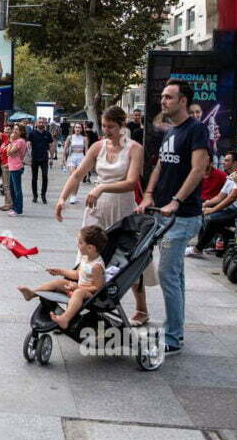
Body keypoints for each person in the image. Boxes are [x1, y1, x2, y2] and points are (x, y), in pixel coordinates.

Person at [56, 105, 152, 326]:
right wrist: (62, 198)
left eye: (110, 126)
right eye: (103, 126)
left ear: (121, 125)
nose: (106, 130)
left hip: (121, 206)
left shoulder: (134, 148)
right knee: (87, 254)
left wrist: (102, 188)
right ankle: (81, 302)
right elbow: (78, 173)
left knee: (128, 258)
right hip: (96, 208)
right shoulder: (98, 147)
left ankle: (141, 308)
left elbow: (131, 181)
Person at [136, 79, 209, 355]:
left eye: (169, 97)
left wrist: (176, 201)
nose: (163, 101)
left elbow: (198, 169)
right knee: (175, 274)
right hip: (165, 213)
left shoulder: (196, 129)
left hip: (183, 215)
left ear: (183, 101)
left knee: (167, 272)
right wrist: (149, 194)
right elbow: (160, 166)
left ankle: (173, 336)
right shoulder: (171, 131)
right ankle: (175, 328)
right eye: (163, 96)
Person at [16, 226, 107, 331]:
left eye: (80, 243)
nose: (77, 244)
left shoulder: (96, 266)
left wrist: (78, 287)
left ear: (90, 248)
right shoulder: (85, 258)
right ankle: (32, 293)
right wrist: (60, 271)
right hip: (77, 287)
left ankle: (65, 318)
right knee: (59, 282)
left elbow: (98, 287)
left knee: (78, 293)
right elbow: (77, 275)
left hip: (88, 294)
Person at [185, 154, 237, 258]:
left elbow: (233, 198)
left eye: (227, 160)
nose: (223, 163)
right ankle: (204, 245)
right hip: (231, 208)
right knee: (203, 213)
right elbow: (221, 196)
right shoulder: (235, 176)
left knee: (211, 219)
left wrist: (212, 210)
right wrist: (205, 205)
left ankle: (200, 247)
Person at [28, 118, 54, 203]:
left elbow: (51, 146)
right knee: (34, 178)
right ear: (36, 123)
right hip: (34, 158)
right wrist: (28, 157)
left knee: (45, 176)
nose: (41, 123)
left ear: (45, 124)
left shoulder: (48, 134)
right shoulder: (32, 133)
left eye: (43, 122)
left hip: (44, 158)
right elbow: (28, 145)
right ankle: (35, 196)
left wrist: (51, 158)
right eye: (40, 122)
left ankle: (43, 195)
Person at [5, 123, 28, 216]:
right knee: (12, 189)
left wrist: (10, 141)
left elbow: (9, 152)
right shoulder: (16, 141)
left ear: (21, 132)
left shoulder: (20, 141)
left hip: (16, 167)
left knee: (17, 189)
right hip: (12, 166)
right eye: (14, 129)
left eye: (17, 129)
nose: (14, 131)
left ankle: (18, 209)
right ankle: (14, 207)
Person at [62, 123, 88, 203]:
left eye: (79, 127)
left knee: (78, 178)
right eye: (76, 127)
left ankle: (74, 196)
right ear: (74, 128)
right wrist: (63, 160)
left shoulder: (84, 138)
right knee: (73, 176)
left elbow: (87, 150)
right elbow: (65, 149)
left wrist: (87, 162)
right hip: (72, 157)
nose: (77, 129)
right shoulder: (70, 137)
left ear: (82, 129)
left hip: (81, 157)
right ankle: (71, 195)